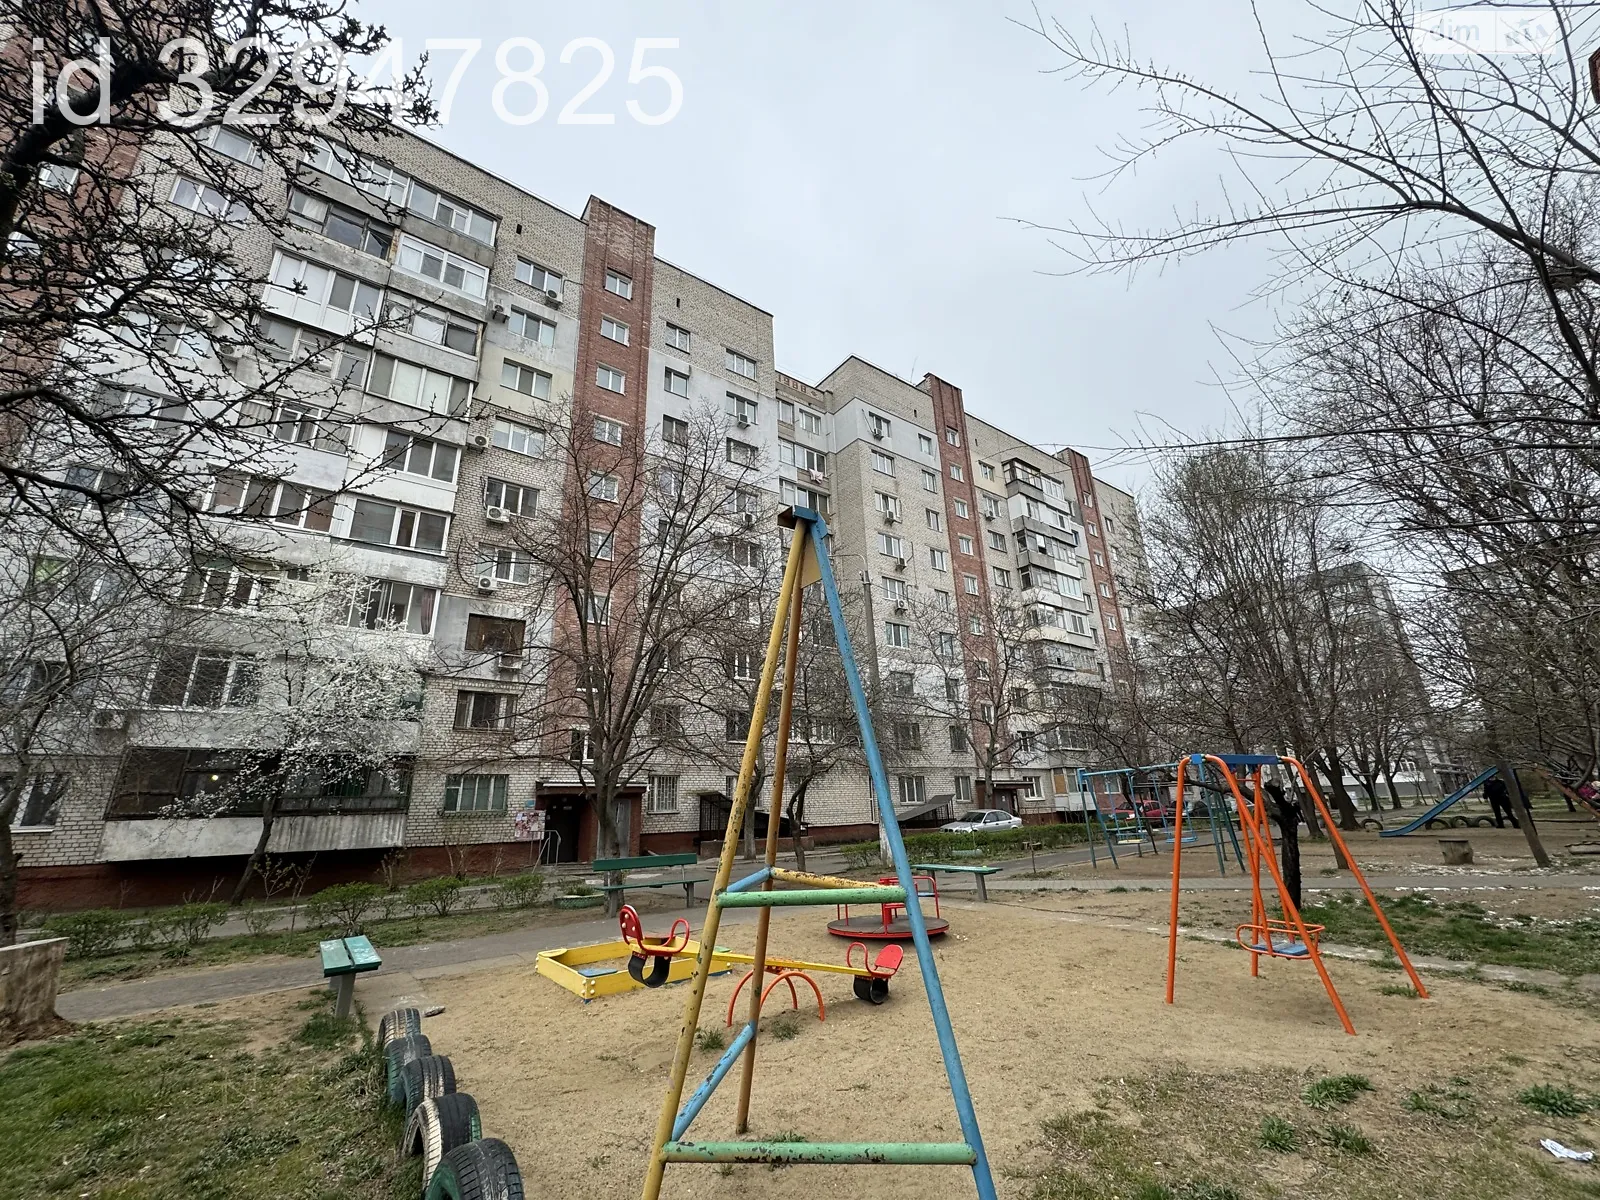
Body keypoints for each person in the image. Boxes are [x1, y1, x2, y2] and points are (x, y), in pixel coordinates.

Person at [1264, 780, 1303, 911]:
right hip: (1286, 813)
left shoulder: (1288, 799)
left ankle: (1292, 906)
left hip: (1288, 814)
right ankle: (1291, 905)